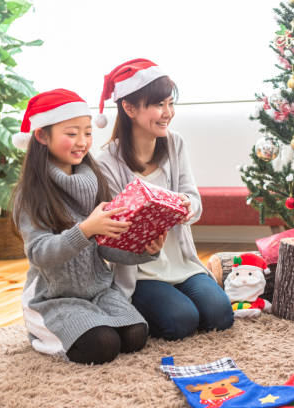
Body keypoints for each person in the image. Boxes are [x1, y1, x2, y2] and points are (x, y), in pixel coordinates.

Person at [12, 89, 165, 364]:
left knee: (135, 336)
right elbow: (39, 253)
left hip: (98, 292)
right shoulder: (32, 193)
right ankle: (39, 331)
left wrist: (146, 250)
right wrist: (85, 230)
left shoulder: (94, 180)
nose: (82, 142)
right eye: (71, 134)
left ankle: (90, 322)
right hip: (53, 297)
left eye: (87, 133)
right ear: (42, 136)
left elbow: (107, 247)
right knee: (102, 345)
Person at [96, 58, 234, 340]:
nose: (167, 113)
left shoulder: (175, 143)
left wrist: (186, 207)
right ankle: (134, 305)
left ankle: (172, 300)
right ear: (129, 108)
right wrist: (144, 240)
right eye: (159, 105)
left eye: (170, 103)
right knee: (181, 322)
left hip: (181, 263)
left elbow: (193, 199)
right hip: (140, 272)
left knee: (220, 315)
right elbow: (110, 231)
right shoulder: (106, 161)